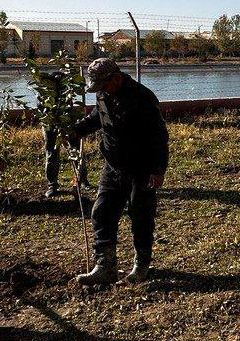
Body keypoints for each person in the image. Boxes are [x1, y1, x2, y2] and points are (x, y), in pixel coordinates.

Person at [67, 58, 169, 287]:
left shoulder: (143, 98)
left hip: (141, 169)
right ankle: (105, 267)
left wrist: (158, 169)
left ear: (115, 78)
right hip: (113, 167)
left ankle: (141, 264)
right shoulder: (104, 94)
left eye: (102, 86)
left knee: (141, 217)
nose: (100, 91)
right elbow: (97, 118)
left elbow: (159, 136)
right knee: (101, 212)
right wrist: (76, 131)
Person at [42, 69, 88, 198]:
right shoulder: (44, 95)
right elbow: (44, 114)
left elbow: (70, 110)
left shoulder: (67, 93)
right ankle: (52, 185)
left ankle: (81, 179)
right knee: (52, 153)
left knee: (77, 151)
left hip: (69, 124)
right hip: (51, 126)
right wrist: (56, 125)